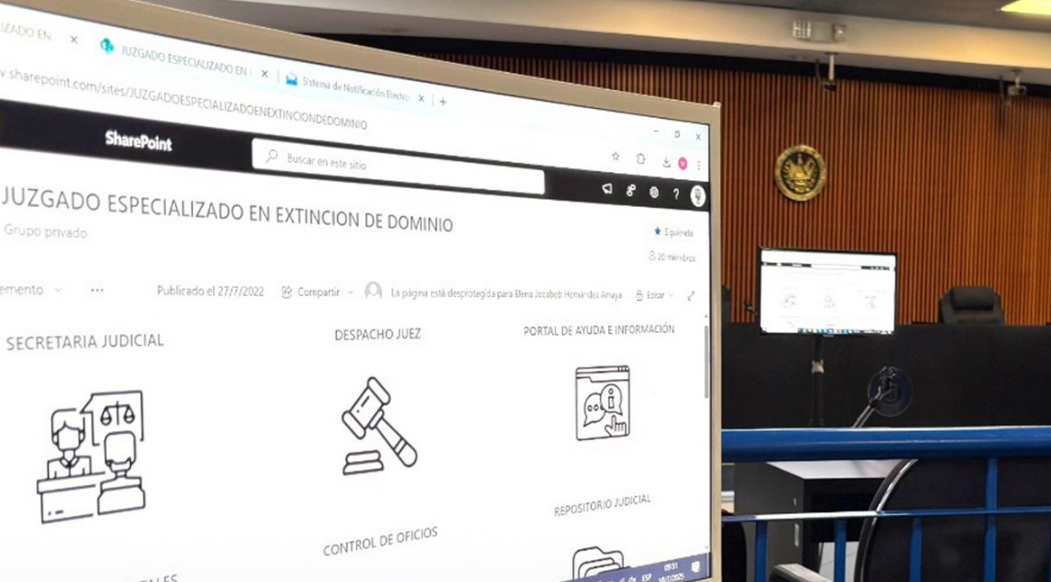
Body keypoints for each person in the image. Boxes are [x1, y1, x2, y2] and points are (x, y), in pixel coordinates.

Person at [47, 409, 92, 479]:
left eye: (73, 431)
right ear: (55, 438)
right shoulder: (53, 465)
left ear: (81, 435)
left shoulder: (85, 462)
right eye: (62, 432)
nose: (67, 436)